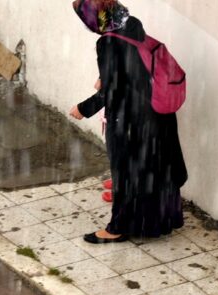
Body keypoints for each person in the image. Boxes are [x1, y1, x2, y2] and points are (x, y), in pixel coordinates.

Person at [68, 0, 187, 244]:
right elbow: (132, 65)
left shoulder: (108, 42)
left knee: (127, 171)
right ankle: (163, 218)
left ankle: (118, 227)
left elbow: (113, 90)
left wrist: (84, 108)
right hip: (156, 113)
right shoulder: (130, 25)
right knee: (154, 168)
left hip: (131, 118)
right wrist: (105, 76)